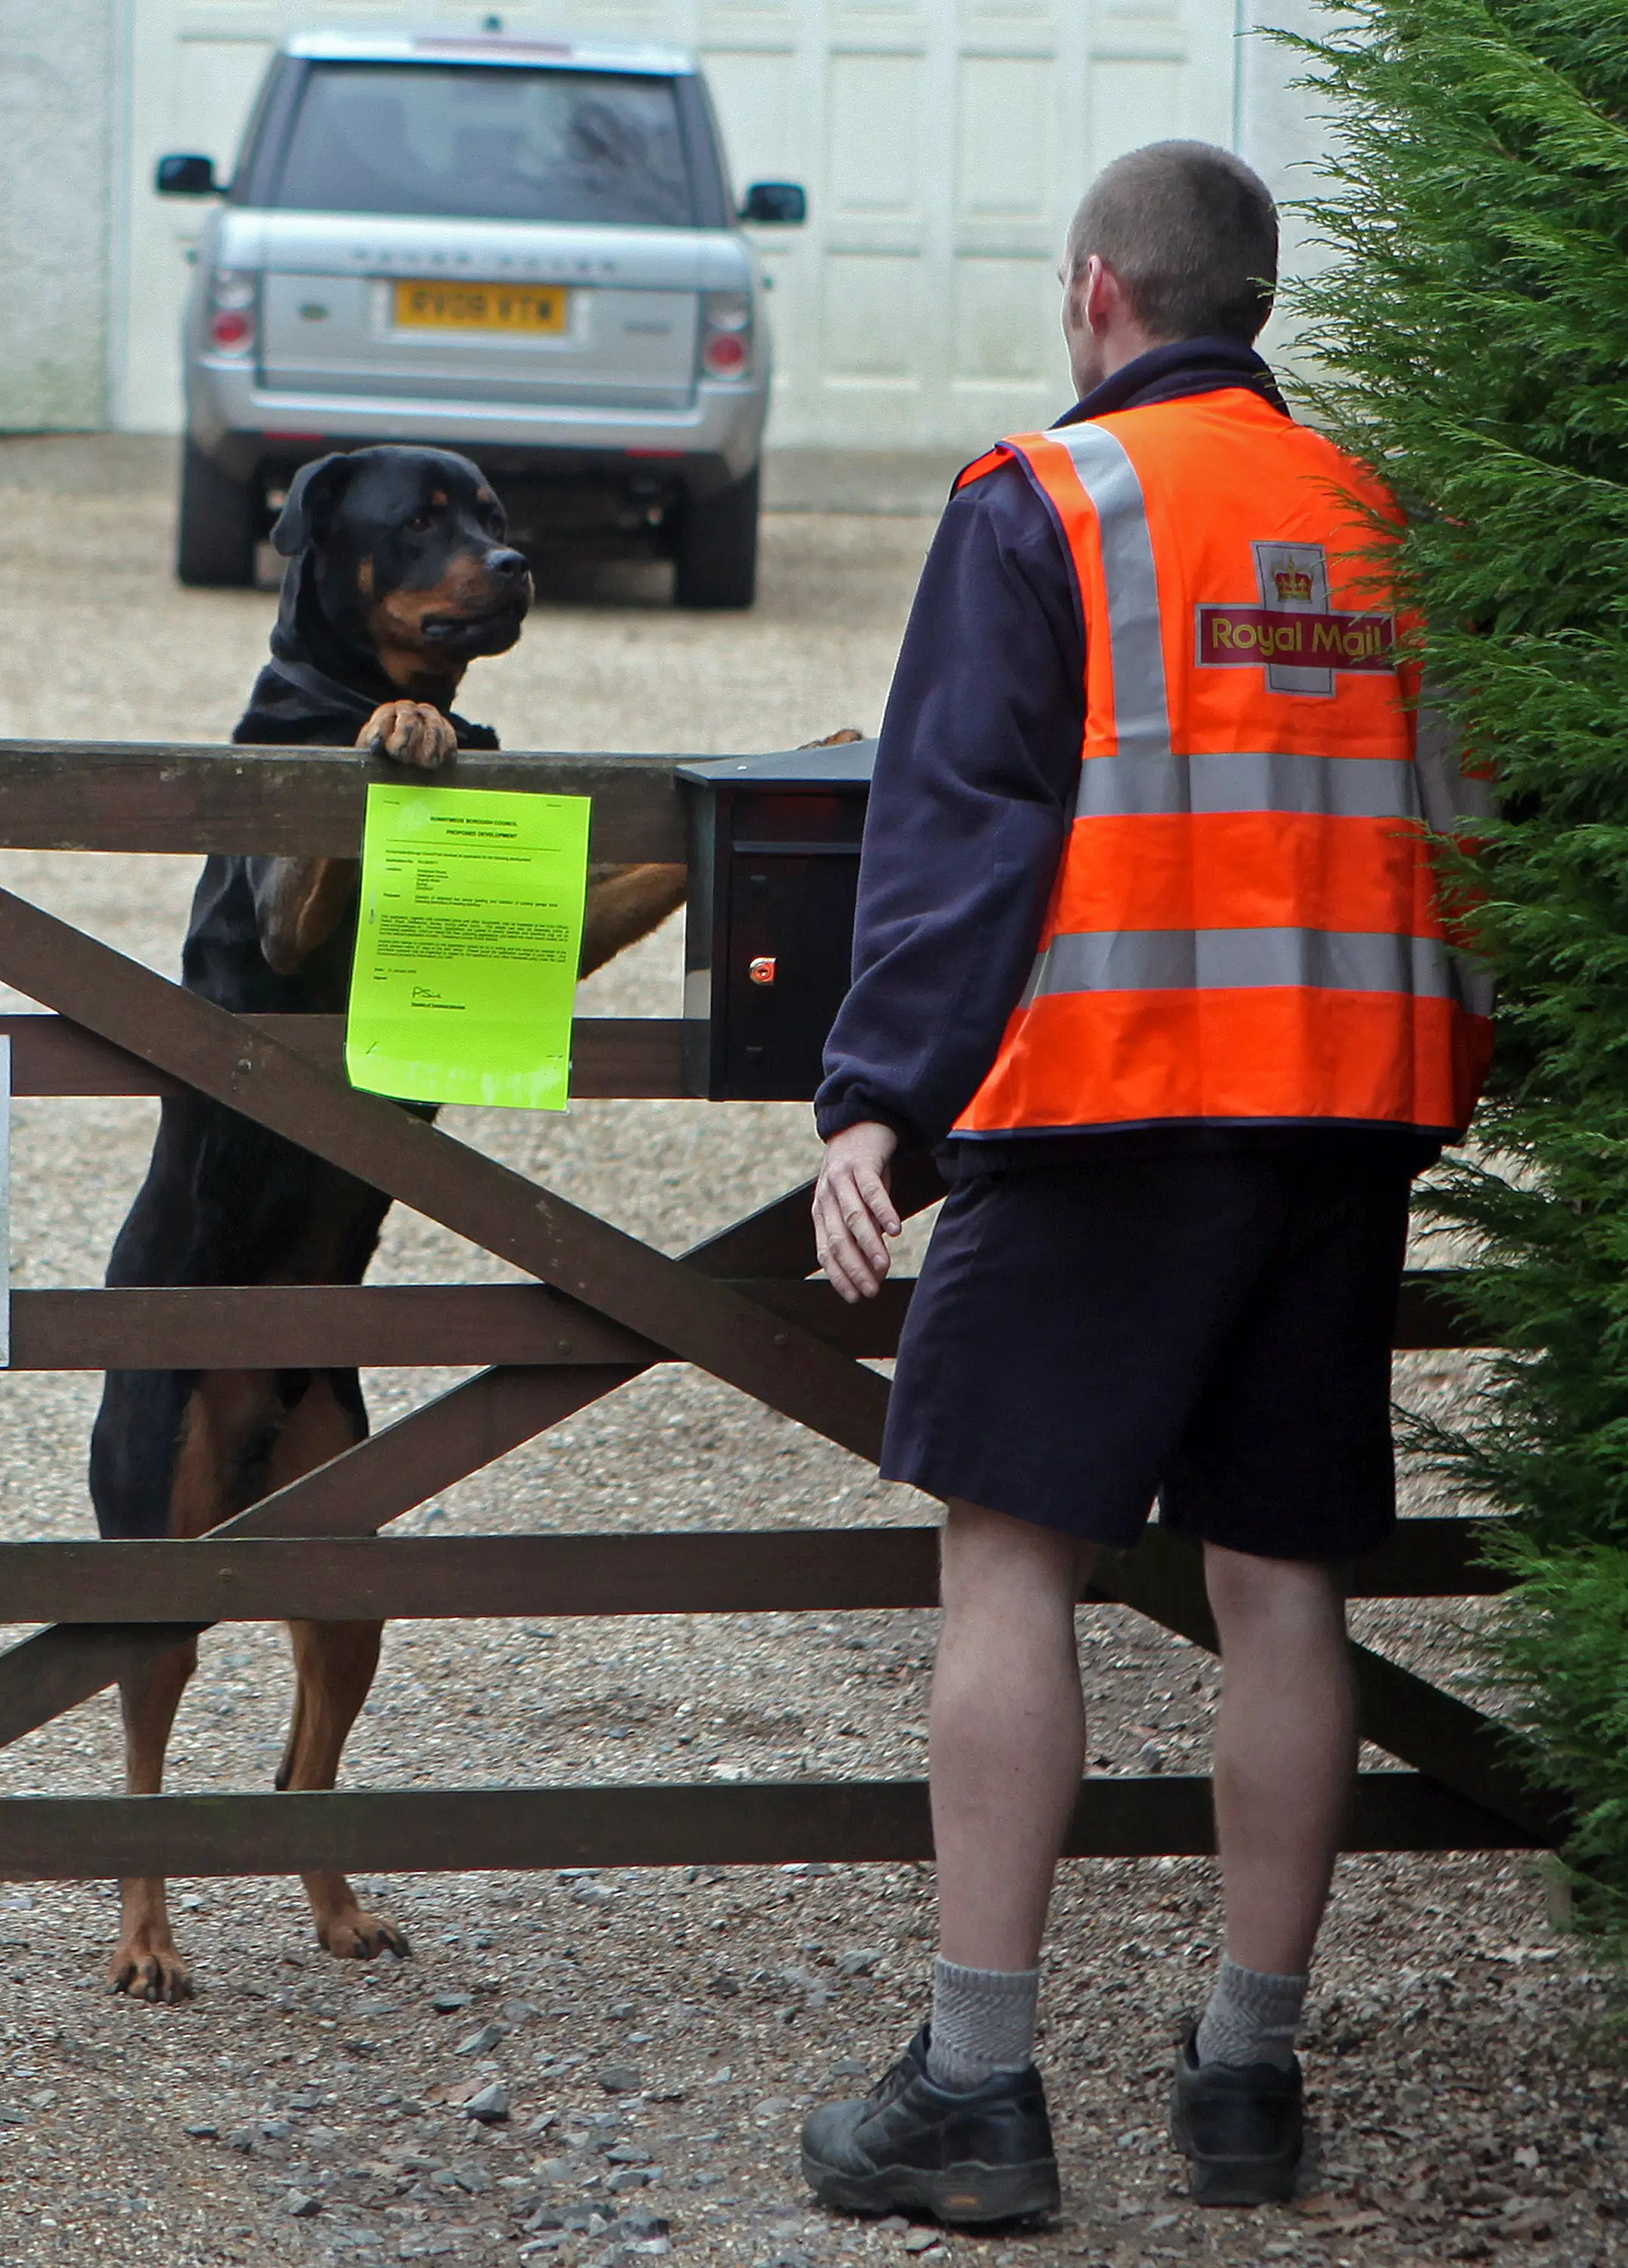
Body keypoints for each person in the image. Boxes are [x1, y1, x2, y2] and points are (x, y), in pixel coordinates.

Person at [799, 140, 1492, 2223]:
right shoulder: (1394, 523)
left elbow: (964, 837)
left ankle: (980, 2095)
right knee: (1284, 1580)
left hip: (1108, 1108)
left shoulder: (1048, 505)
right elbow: (1464, 823)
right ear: (1254, 306)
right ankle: (1249, 2079)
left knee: (1011, 1566)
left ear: (1103, 290)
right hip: (1345, 1111)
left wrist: (877, 1105)